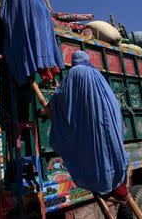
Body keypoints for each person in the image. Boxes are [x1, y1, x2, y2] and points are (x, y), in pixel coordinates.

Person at [49, 51, 129, 195]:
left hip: (93, 123)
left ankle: (101, 183)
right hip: (109, 122)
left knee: (95, 152)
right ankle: (115, 185)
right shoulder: (97, 74)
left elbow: (62, 96)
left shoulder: (74, 72)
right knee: (109, 150)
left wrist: (55, 96)